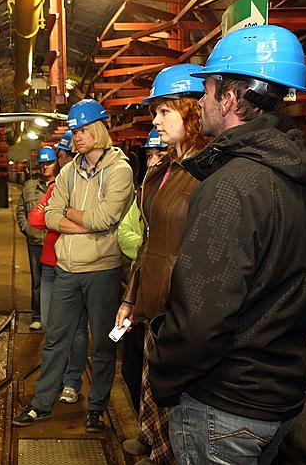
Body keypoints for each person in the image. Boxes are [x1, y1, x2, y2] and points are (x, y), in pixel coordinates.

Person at [149, 25, 306, 464]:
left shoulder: (231, 187)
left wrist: (163, 375)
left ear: (233, 99)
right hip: (280, 395)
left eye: (209, 88)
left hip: (223, 403)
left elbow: (200, 316)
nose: (201, 100)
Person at [14, 99, 134, 432]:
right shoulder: (68, 171)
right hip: (67, 269)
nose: (76, 137)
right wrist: (84, 222)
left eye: (81, 130)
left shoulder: (120, 170)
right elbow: (50, 216)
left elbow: (107, 217)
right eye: (73, 131)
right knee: (55, 340)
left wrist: (73, 216)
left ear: (97, 128)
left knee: (104, 344)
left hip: (101, 271)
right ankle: (41, 404)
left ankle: (96, 408)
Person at [114, 64, 208, 464]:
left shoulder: (210, 173)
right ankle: (153, 441)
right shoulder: (162, 172)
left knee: (179, 410)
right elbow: (149, 241)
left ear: (193, 112)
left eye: (165, 110)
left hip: (182, 310)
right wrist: (131, 297)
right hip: (156, 308)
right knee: (153, 392)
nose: (155, 119)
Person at [28, 132, 87, 405]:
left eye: (64, 155)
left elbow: (98, 220)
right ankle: (58, 377)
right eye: (61, 156)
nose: (61, 160)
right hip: (51, 264)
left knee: (76, 329)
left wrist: (60, 216)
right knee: (53, 328)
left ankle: (72, 382)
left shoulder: (82, 186)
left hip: (76, 265)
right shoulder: (56, 187)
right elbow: (36, 219)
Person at [116, 127, 167, 413]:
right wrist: (151, 248)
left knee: (157, 372)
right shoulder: (143, 192)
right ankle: (144, 432)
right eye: (150, 155)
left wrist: (151, 249)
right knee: (132, 369)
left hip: (162, 299)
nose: (152, 161)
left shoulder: (182, 190)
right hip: (138, 290)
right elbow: (124, 234)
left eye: (159, 155)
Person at [16, 146, 58, 330]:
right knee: (37, 281)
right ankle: (37, 316)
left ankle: (54, 316)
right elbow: (20, 210)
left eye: (49, 163)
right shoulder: (29, 187)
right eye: (42, 164)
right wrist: (27, 228)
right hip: (35, 242)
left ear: (55, 163)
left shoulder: (62, 185)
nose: (45, 167)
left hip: (56, 242)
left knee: (58, 281)